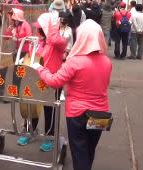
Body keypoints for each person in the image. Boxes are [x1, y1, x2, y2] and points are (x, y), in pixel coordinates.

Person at [35, 20, 112, 170]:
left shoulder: (74, 62)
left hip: (78, 114)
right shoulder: (107, 61)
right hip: (101, 113)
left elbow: (55, 81)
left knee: (79, 152)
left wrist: (40, 69)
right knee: (90, 150)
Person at [34, 12, 68, 152]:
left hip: (53, 80)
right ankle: (29, 130)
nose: (38, 31)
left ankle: (50, 136)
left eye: (41, 28)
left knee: (50, 110)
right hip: (38, 79)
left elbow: (54, 40)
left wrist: (52, 26)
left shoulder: (58, 41)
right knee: (32, 105)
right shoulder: (42, 41)